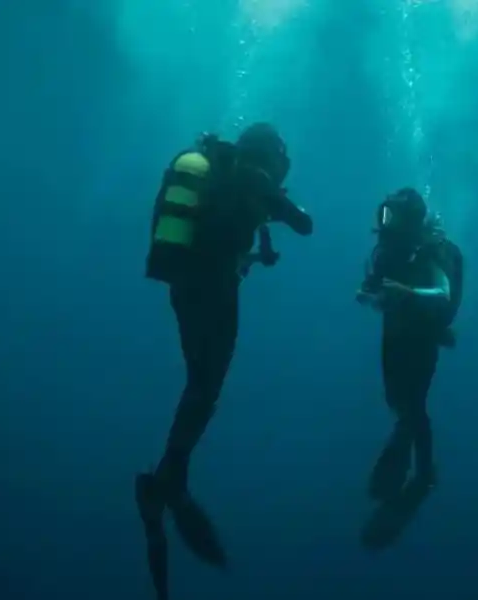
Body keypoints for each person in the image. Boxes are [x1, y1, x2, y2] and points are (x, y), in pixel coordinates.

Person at [136, 123, 313, 600]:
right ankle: (169, 479)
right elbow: (304, 222)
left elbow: (223, 245)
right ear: (272, 158)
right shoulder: (254, 179)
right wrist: (285, 205)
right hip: (214, 292)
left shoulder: (225, 177)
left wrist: (256, 255)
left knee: (199, 382)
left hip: (185, 284)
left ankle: (171, 478)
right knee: (206, 388)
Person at [356, 188, 464, 511]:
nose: (386, 224)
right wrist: (369, 292)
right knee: (396, 399)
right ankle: (412, 457)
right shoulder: (389, 249)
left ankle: (424, 471)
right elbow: (375, 281)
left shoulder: (430, 251)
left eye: (394, 217)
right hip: (396, 328)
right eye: (385, 215)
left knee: (413, 403)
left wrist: (408, 292)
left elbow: (443, 293)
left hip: (422, 333)